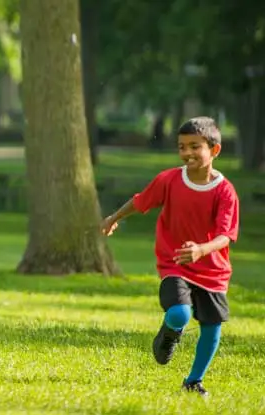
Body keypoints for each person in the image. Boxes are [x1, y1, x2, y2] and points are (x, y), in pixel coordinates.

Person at [101, 116, 239, 397]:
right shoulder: (169, 180)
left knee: (212, 329)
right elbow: (141, 201)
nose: (187, 153)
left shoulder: (225, 192)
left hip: (213, 270)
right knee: (179, 312)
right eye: (181, 147)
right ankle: (168, 334)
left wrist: (201, 249)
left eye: (194, 146)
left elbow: (226, 235)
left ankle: (194, 381)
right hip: (174, 263)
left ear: (214, 150)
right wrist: (114, 217)